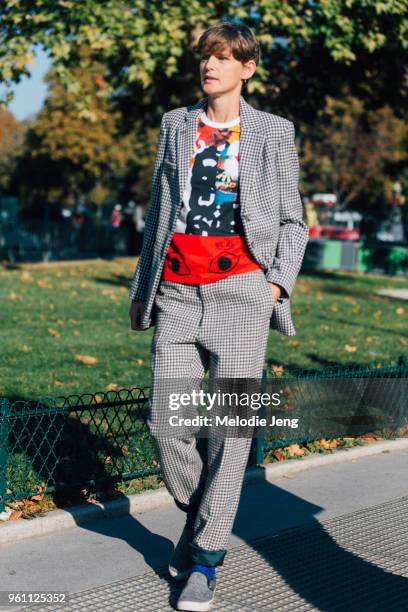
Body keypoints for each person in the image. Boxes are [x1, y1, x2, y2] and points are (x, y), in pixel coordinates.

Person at [129, 22, 309, 611]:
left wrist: (276, 286)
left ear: (247, 69)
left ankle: (206, 558)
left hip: (242, 294)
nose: (212, 65)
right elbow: (160, 209)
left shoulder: (274, 132)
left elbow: (290, 218)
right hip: (178, 293)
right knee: (166, 422)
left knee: (229, 436)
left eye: (226, 57)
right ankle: (200, 513)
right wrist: (147, 287)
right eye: (207, 56)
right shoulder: (174, 125)